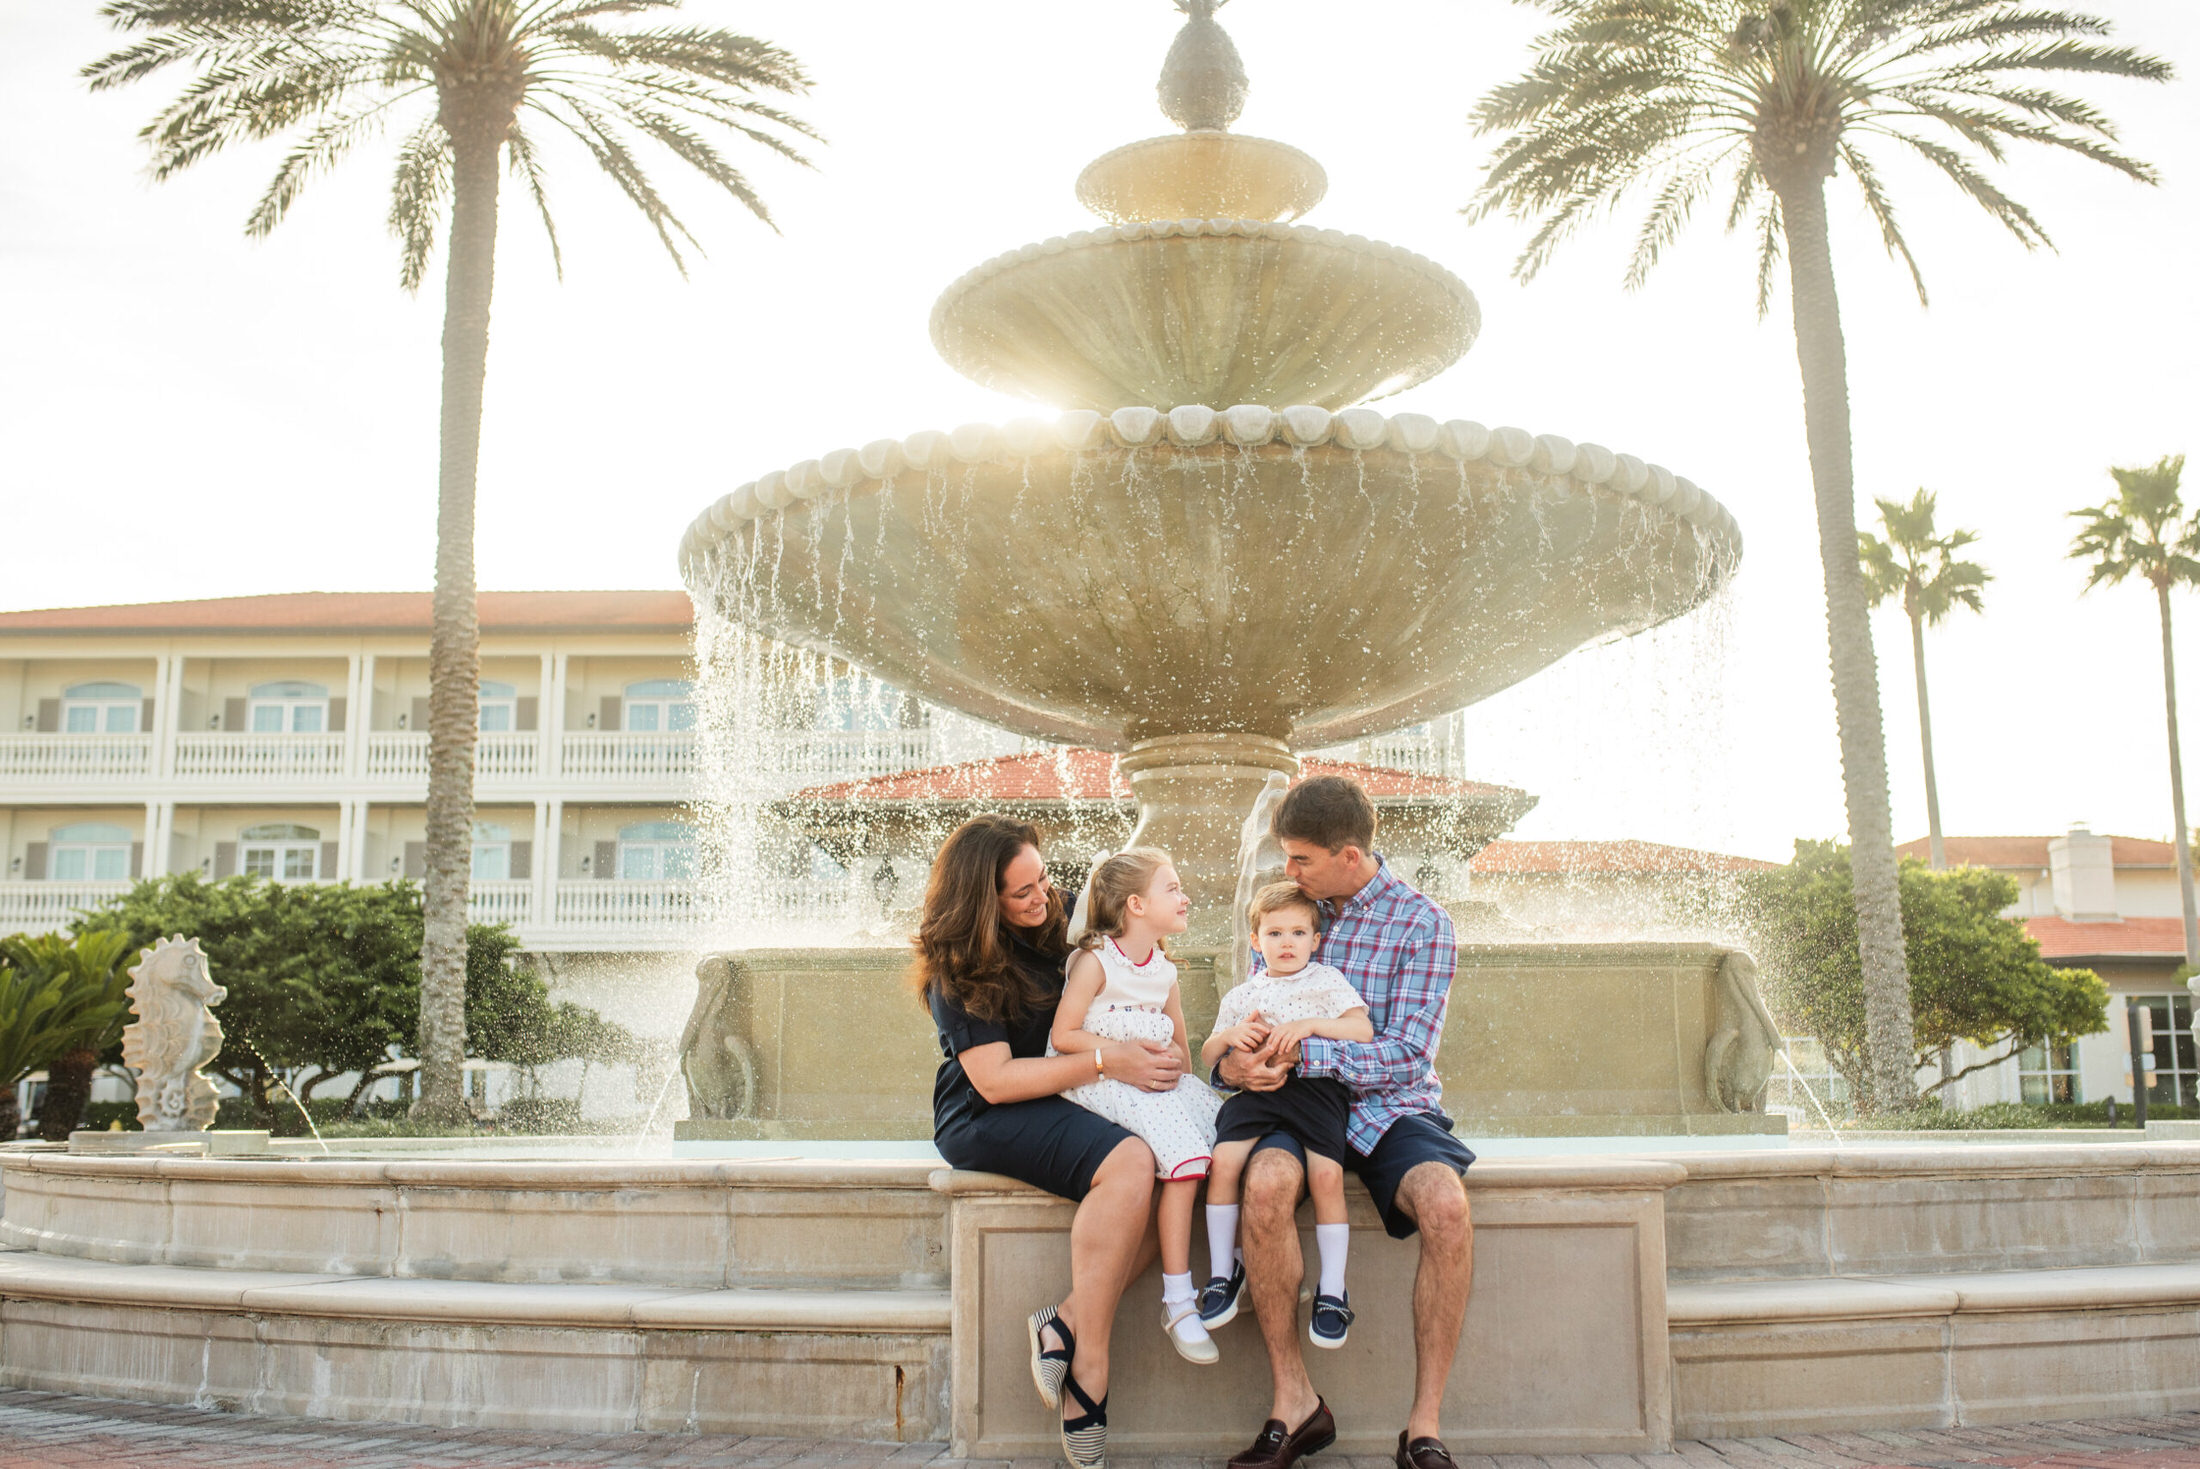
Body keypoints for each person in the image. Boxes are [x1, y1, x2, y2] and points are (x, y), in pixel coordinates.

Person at [1211, 776, 1476, 1469]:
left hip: (1389, 1105)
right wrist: (1237, 1068)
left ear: (1350, 856)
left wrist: (1307, 1049)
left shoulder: (1424, 924)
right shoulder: (1287, 910)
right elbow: (1249, 1016)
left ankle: (1423, 1427)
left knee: (1446, 1205)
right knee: (1264, 1185)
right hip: (1296, 1107)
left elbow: (1408, 1052)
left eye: (1301, 858)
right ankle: (1294, 1402)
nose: (1288, 870)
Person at [916, 815, 1181, 1469]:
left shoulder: (1061, 911)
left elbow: (1137, 953)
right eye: (1023, 893)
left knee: (1180, 1165)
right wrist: (1107, 1061)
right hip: (987, 1112)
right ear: (984, 902)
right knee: (1132, 1160)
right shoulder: (958, 967)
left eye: (1044, 879)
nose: (1045, 899)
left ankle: (1062, 1320)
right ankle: (1090, 1364)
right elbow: (998, 1079)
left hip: (1071, 1091)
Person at [1049, 847, 1225, 1363]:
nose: (1184, 895)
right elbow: (1062, 1035)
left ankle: (1234, 1267)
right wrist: (1118, 1056)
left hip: (1154, 1084)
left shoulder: (1164, 970)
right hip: (1101, 1081)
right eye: (1171, 888)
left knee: (1232, 1135)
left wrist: (1185, 1085)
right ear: (1135, 905)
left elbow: (1182, 1052)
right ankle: (1178, 1299)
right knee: (1184, 1160)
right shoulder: (1096, 961)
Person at [1197, 881, 1372, 1348]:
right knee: (1225, 1164)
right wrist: (1233, 1035)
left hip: (1315, 1092)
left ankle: (1333, 1289)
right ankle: (1222, 1273)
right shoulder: (1242, 994)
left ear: (1316, 940)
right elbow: (1209, 1052)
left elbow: (1362, 1029)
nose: (1287, 943)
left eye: (1298, 933)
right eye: (1275, 934)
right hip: (1256, 1092)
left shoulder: (1326, 981)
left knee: (1327, 1177)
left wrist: (1310, 1025)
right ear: (1256, 941)